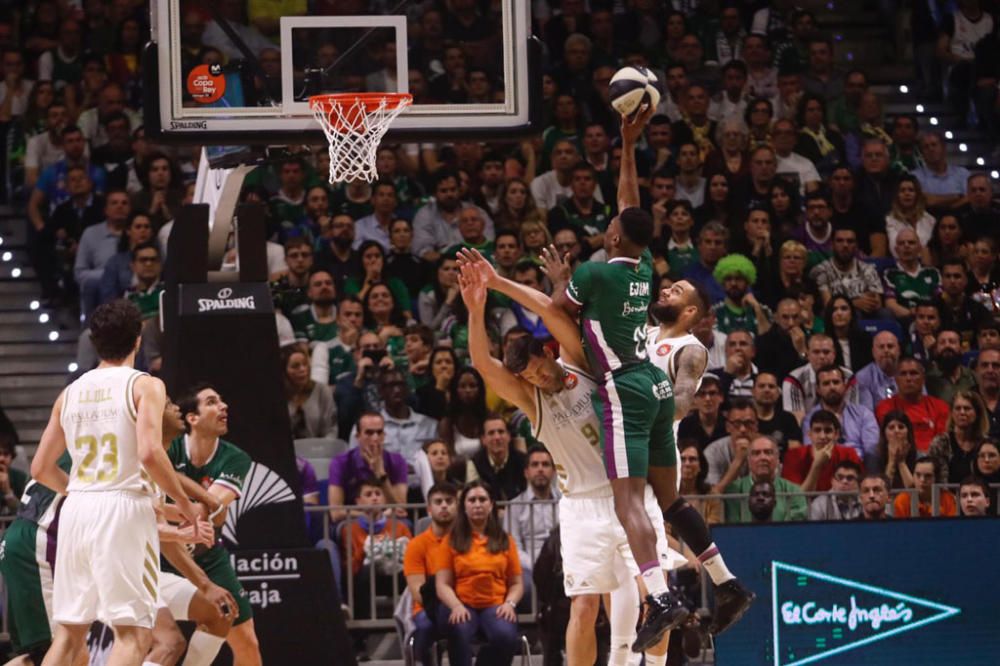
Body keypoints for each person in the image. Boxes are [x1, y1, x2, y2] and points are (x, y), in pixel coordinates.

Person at [457, 252, 693, 663]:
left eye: (540, 370)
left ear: (548, 354)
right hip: (581, 507)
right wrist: (476, 310)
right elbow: (481, 363)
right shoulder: (532, 402)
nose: (540, 380)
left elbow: (550, 309)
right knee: (583, 607)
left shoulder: (581, 362)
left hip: (629, 492)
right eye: (529, 379)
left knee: (656, 598)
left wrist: (499, 283)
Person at [30, 300, 201, 666]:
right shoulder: (145, 385)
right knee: (133, 635)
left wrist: (82, 491)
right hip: (122, 507)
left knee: (68, 635)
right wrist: (185, 507)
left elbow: (41, 468)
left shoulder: (70, 392)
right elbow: (151, 453)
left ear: (95, 342)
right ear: (138, 340)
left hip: (76, 508)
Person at [166, 384, 263, 665]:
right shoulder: (168, 447)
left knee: (247, 641)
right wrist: (203, 507)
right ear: (192, 418)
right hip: (161, 551)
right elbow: (203, 510)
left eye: (222, 401)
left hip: (205, 555)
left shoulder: (235, 458)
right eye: (211, 402)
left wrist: (174, 485)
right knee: (162, 642)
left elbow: (205, 512)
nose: (223, 406)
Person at [433, 481, 523, 666]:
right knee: (458, 630)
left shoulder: (506, 540)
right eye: (472, 500)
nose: (477, 504)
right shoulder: (451, 541)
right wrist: (456, 606)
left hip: (496, 605)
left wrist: (510, 603)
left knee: (506, 636)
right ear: (464, 506)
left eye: (482, 499)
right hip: (462, 604)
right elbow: (442, 584)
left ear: (491, 505)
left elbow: (516, 583)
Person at [403, 481, 458, 666]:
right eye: (438, 501)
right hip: (428, 606)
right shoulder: (416, 545)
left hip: (464, 603)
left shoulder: (466, 541)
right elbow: (417, 591)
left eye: (449, 501)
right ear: (429, 509)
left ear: (457, 506)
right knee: (425, 626)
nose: (444, 505)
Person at [328, 412, 408, 523]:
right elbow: (336, 513)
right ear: (358, 436)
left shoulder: (397, 461)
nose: (375, 438)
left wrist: (381, 474)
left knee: (405, 524)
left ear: (384, 435)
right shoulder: (340, 463)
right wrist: (375, 515)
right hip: (352, 522)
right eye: (369, 433)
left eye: (379, 432)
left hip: (388, 522)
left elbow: (401, 509)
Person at [507, 446, 560, 597]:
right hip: (528, 566)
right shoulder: (514, 507)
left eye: (545, 464)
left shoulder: (566, 503)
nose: (540, 469)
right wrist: (537, 565)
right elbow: (513, 547)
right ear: (526, 472)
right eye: (535, 465)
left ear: (554, 471)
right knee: (527, 586)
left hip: (562, 562)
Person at [803, 365, 879, 468]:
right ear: (818, 389)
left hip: (860, 469)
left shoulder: (864, 413)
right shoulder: (810, 418)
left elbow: (871, 450)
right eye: (826, 384)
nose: (832, 387)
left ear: (844, 386)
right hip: (825, 469)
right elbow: (811, 451)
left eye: (836, 382)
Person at [722, 436, 808, 523]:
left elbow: (793, 528)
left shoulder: (794, 491)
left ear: (777, 458)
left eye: (768, 452)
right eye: (756, 453)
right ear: (748, 460)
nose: (762, 457)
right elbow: (733, 527)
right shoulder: (734, 490)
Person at [875, 357, 949, 452]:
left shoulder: (940, 407)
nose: (908, 378)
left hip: (933, 459)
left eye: (914, 373)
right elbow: (891, 440)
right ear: (896, 380)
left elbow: (941, 442)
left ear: (923, 378)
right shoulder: (885, 407)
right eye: (903, 374)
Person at [783, 410, 863, 491]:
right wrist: (817, 465)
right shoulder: (793, 455)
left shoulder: (849, 454)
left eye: (828, 431)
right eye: (817, 430)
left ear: (836, 434)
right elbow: (795, 500)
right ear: (809, 434)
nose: (822, 436)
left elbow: (859, 489)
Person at [784, 334, 856, 421]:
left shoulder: (848, 377)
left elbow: (852, 415)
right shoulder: (794, 380)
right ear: (808, 354)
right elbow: (796, 421)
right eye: (816, 352)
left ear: (834, 354)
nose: (821, 356)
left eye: (826, 352)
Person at [928, 391, 989, 483]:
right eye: (957, 408)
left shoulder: (987, 444)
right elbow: (936, 479)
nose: (962, 412)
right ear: (952, 413)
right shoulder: (940, 443)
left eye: (967, 408)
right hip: (946, 496)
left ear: (977, 413)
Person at [465, 415, 527, 502]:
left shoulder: (523, 461)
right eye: (491, 433)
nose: (497, 437)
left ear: (509, 436)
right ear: (483, 440)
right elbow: (473, 497)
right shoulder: (474, 463)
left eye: (501, 432)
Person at [283, 344, 336, 440]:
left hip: (318, 450)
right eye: (295, 366)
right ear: (283, 371)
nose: (303, 369)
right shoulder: (277, 395)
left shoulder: (322, 391)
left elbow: (331, 429)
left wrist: (323, 450)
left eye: (305, 364)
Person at [752, 372, 803, 454]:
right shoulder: (746, 419)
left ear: (778, 393)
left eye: (771, 386)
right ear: (753, 391)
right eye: (761, 386)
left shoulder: (788, 419)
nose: (767, 390)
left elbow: (795, 454)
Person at [893, 457, 957, 517]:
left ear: (936, 478)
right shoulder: (901, 501)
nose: (922, 480)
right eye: (918, 475)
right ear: (913, 476)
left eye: (928, 476)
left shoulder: (948, 499)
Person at [854, 331, 902, 411]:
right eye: (881, 347)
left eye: (890, 346)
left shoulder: (910, 372)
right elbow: (867, 414)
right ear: (873, 352)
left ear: (899, 350)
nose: (886, 350)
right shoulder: (863, 377)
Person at [676, 375, 727, 449]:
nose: (707, 398)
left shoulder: (728, 425)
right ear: (695, 399)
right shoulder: (684, 426)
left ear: (721, 397)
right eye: (702, 394)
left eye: (712, 393)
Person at [877, 411, 918, 490]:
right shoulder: (875, 456)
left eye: (901, 427)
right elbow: (881, 491)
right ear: (884, 433)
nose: (896, 431)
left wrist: (901, 462)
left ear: (908, 431)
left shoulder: (920, 456)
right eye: (891, 427)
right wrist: (891, 461)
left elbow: (915, 494)